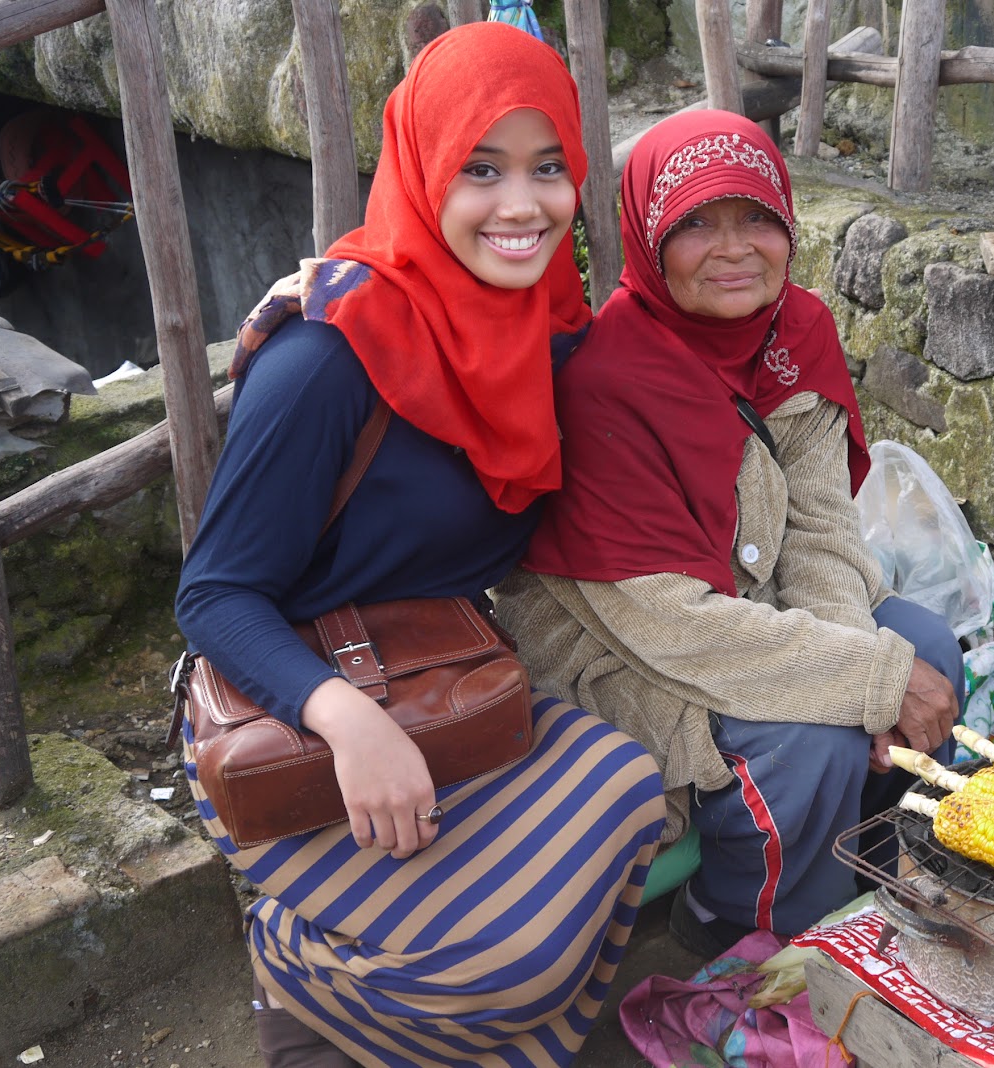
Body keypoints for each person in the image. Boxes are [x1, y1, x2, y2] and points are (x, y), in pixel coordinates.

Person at [174, 23, 665, 1068]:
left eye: (548, 168)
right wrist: (348, 722)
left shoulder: (542, 329)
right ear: (420, 168)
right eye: (479, 169)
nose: (521, 205)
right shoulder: (327, 359)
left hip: (436, 664)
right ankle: (297, 979)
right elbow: (214, 597)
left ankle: (384, 1027)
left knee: (628, 790)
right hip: (289, 704)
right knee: (504, 959)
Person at [495, 109, 966, 959]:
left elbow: (822, 528)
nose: (735, 247)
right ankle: (738, 926)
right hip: (618, 641)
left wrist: (867, 674)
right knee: (808, 742)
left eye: (757, 217)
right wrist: (863, 684)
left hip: (748, 597)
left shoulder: (798, 330)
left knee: (927, 644)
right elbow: (667, 619)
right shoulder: (608, 382)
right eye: (696, 224)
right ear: (647, 237)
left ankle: (861, 879)